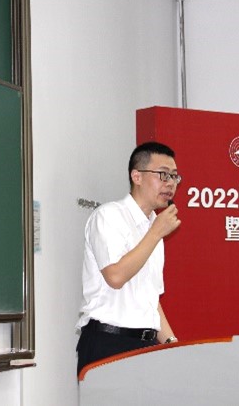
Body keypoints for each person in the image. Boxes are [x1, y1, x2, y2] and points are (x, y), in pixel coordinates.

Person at [76, 141, 182, 377]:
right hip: (108, 342)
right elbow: (115, 276)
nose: (170, 183)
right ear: (137, 176)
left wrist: (172, 344)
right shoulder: (108, 216)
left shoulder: (154, 228)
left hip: (146, 345)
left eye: (175, 176)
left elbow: (150, 299)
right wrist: (155, 233)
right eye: (163, 174)